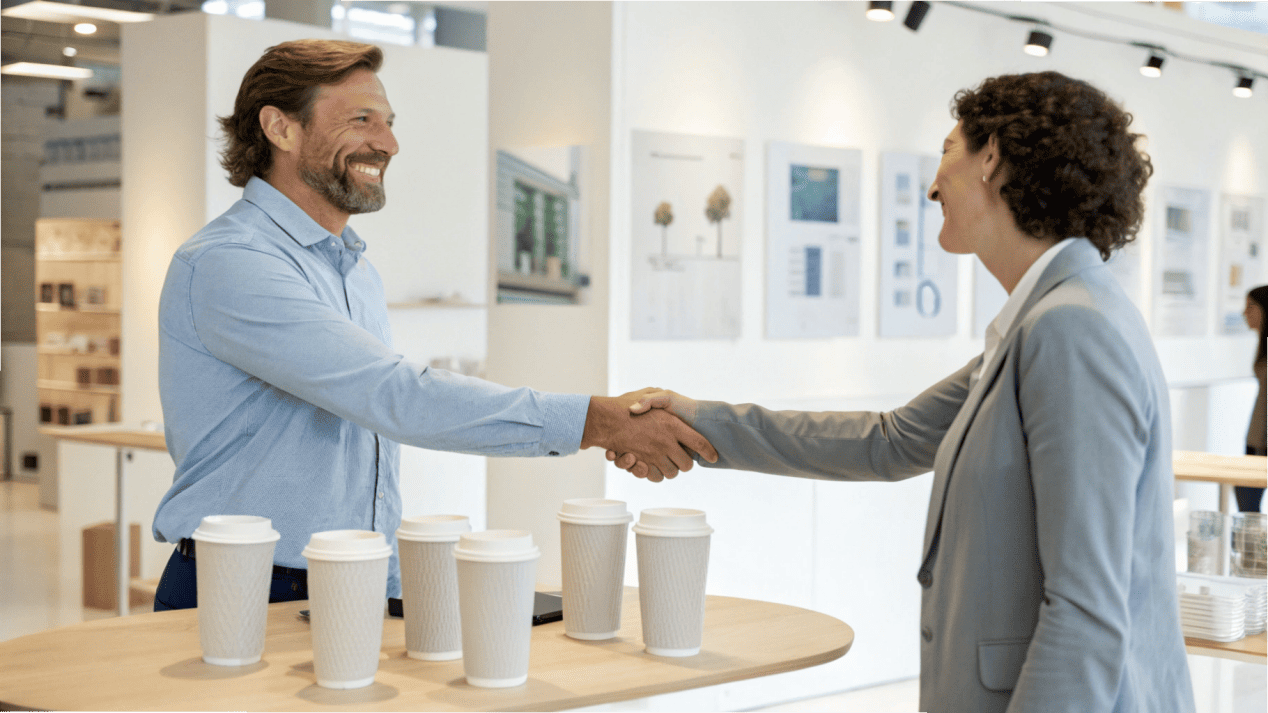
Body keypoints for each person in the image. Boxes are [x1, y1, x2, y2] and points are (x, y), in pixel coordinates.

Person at [611, 72, 1194, 712]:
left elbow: (1086, 606)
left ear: (993, 157)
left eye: (948, 151)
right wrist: (695, 420)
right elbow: (889, 441)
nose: (933, 184)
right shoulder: (1049, 320)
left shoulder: (1070, 329)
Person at [151, 39, 715, 612]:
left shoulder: (355, 270)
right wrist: (597, 421)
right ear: (280, 128)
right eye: (362, 120)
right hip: (240, 586)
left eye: (390, 123)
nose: (388, 143)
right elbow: (392, 395)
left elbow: (371, 437)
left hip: (350, 576)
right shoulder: (231, 263)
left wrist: (390, 585)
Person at [1237, 285, 1268, 512]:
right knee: (1246, 499)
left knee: (1247, 498)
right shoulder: (1263, 346)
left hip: (1261, 442)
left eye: (1250, 307)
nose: (1244, 313)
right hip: (1257, 438)